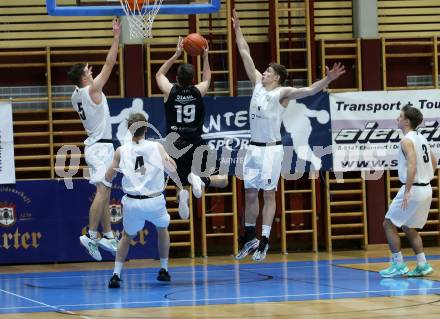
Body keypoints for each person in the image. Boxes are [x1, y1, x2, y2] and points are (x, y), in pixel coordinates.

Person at [232, 9, 345, 262]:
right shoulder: (257, 85)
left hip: (271, 149)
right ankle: (249, 236)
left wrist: (326, 80)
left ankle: (264, 240)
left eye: (269, 71)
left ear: (278, 77)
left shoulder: (282, 92)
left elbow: (309, 90)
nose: (264, 72)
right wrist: (238, 29)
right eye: (265, 70)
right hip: (252, 148)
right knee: (250, 193)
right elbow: (244, 53)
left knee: (269, 194)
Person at [155, 38, 228, 219]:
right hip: (196, 143)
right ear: (192, 79)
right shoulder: (198, 90)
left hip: (175, 144)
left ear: (177, 78)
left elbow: (158, 75)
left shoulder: (169, 91)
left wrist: (176, 54)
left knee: (181, 180)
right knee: (223, 180)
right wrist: (205, 56)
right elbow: (207, 78)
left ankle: (183, 196)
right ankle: (203, 180)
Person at [67, 18, 121, 261]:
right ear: (84, 77)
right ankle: (91, 235)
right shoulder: (92, 90)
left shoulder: (75, 95)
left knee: (106, 192)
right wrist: (116, 35)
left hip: (95, 146)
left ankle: (108, 235)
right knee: (102, 191)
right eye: (88, 70)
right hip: (100, 148)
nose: (92, 70)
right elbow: (110, 63)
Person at [106, 113, 176, 288]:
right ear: (146, 128)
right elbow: (172, 169)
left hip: (132, 202)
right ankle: (164, 270)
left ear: (130, 130)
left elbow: (108, 176)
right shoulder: (156, 147)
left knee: (126, 236)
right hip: (154, 201)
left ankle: (116, 274)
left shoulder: (120, 150)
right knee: (162, 229)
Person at [380, 104, 436, 278]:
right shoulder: (421, 137)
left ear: (406, 121)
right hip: (426, 188)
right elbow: (434, 160)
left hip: (414, 188)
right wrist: (426, 177)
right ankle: (422, 265)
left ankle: (398, 265)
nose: (397, 118)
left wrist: (408, 190)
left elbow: (412, 165)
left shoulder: (406, 140)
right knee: (409, 227)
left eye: (400, 116)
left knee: (388, 224)